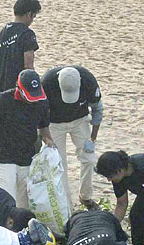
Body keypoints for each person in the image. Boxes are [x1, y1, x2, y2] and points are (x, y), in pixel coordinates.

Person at [0, 69, 55, 209]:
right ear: (19, 89)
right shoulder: (3, 100)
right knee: (8, 200)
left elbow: (44, 128)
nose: (32, 100)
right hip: (4, 156)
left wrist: (49, 141)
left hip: (27, 156)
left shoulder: (41, 102)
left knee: (24, 204)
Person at [43, 65, 104, 209]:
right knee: (59, 164)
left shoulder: (88, 81)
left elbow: (97, 109)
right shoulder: (46, 82)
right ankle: (67, 205)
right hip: (54, 123)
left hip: (79, 120)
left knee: (88, 159)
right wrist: (45, 137)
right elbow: (39, 112)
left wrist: (93, 138)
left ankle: (86, 197)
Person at [0, 0, 40, 94]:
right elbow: (28, 66)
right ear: (29, 14)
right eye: (33, 16)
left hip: (1, 90)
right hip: (18, 91)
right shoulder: (27, 34)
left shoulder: (0, 33)